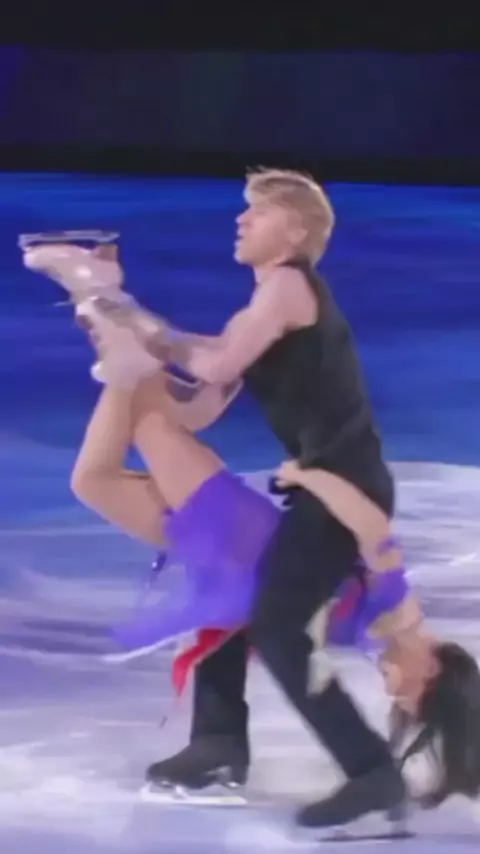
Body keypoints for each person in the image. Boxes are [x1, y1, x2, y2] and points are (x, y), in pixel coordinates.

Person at [19, 168, 462, 830]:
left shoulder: (287, 285)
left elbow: (213, 364)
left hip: (339, 487)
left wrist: (131, 321)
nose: (241, 220)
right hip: (330, 492)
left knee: (274, 624)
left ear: (296, 231)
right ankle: (227, 746)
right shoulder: (261, 315)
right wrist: (130, 341)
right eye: (245, 210)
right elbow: (197, 404)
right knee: (131, 473)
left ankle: (364, 770)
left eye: (258, 212)